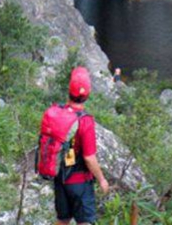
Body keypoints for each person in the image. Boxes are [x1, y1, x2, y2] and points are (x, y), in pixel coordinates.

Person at [54, 66, 109, 225]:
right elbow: (89, 158)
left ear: (69, 90)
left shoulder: (57, 113)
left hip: (59, 177)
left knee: (62, 220)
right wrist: (102, 180)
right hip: (79, 182)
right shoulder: (85, 121)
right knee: (85, 221)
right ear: (88, 94)